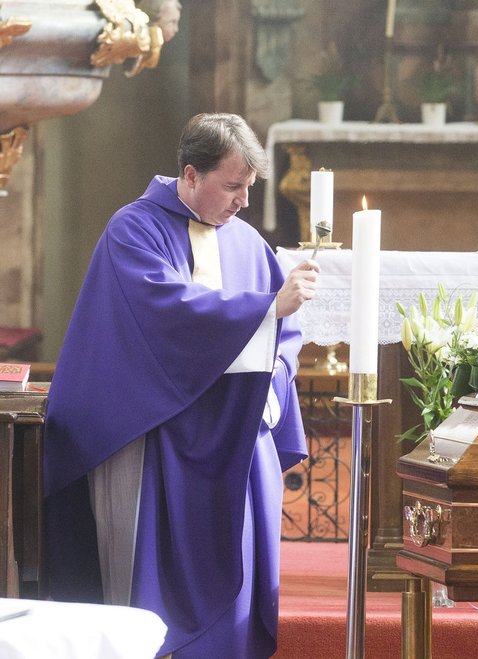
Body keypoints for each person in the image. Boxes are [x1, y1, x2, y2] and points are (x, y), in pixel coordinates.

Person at [43, 113, 320, 658]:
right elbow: (164, 313)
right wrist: (265, 306)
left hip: (231, 436)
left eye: (249, 187)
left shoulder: (245, 242)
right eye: (233, 186)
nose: (244, 201)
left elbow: (286, 334)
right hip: (153, 432)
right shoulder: (135, 227)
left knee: (238, 574)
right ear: (191, 175)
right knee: (149, 587)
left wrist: (272, 384)